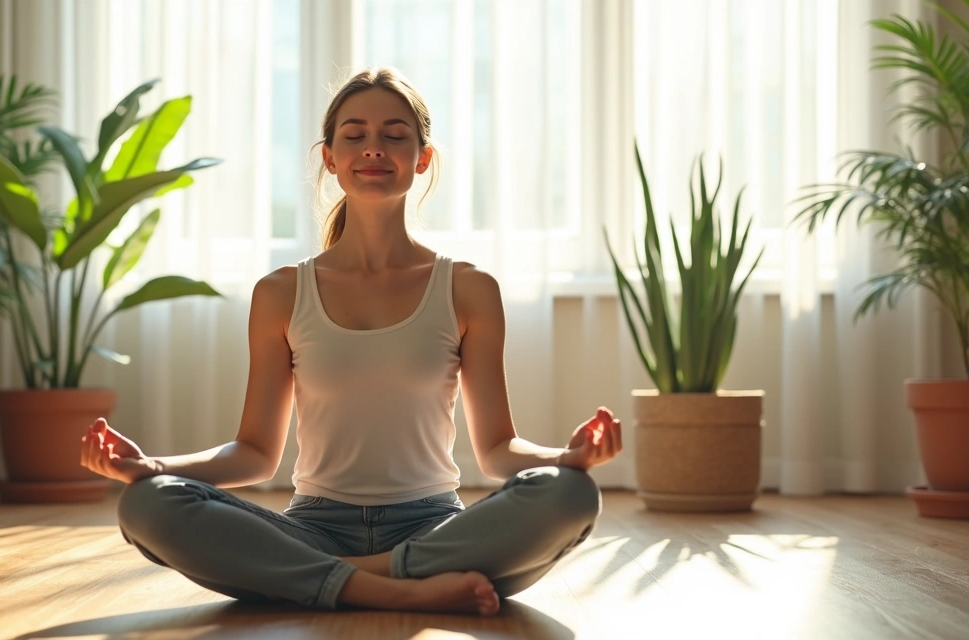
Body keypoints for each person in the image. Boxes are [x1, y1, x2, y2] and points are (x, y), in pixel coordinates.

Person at [79, 67, 623, 617]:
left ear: (423, 158)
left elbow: (497, 449)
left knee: (571, 493)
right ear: (329, 157)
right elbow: (255, 454)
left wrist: (567, 457)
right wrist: (152, 468)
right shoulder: (281, 292)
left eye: (394, 135)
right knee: (150, 503)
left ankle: (338, 583)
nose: (374, 149)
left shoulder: (469, 289)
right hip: (315, 528)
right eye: (355, 135)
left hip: (431, 525)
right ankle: (402, 588)